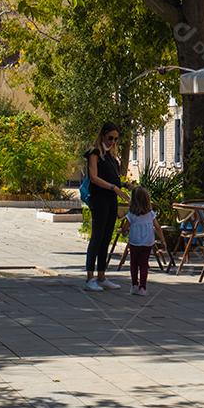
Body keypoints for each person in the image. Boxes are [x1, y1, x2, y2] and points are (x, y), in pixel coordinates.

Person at [83, 122, 129, 292]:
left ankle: (102, 276)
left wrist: (124, 185)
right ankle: (90, 278)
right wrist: (113, 187)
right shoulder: (94, 153)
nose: (112, 142)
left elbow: (113, 178)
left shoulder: (110, 156)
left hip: (111, 200)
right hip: (99, 199)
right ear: (103, 135)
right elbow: (94, 177)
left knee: (106, 238)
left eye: (116, 139)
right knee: (97, 237)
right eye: (110, 138)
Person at [124, 186, 168, 296]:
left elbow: (125, 227)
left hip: (134, 242)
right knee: (144, 264)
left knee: (133, 263)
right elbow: (157, 227)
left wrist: (124, 231)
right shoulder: (150, 214)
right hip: (148, 242)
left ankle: (134, 285)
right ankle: (142, 287)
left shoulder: (131, 214)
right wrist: (163, 240)